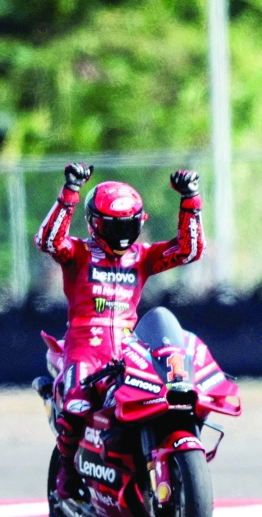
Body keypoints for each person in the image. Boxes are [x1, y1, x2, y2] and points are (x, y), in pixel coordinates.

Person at [35, 162, 205, 499]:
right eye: (114, 225)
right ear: (95, 223)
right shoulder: (78, 253)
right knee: (76, 406)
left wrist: (190, 200)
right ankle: (67, 470)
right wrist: (70, 192)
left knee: (166, 394)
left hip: (129, 350)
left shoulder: (143, 256)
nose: (122, 233)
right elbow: (47, 240)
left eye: (128, 224)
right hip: (84, 349)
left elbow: (189, 250)